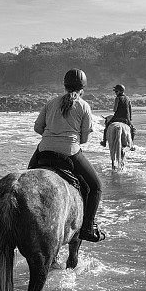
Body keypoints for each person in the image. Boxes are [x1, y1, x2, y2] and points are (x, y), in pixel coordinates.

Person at [28, 69, 106, 242]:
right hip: (69, 152)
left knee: (28, 175)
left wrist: (52, 135)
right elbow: (84, 139)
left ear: (64, 85)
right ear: (82, 88)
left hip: (44, 149)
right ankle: (87, 228)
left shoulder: (51, 103)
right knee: (95, 186)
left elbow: (37, 128)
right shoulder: (84, 106)